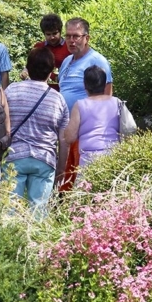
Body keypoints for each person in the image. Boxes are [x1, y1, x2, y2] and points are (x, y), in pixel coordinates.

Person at [5, 47, 70, 214]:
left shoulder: (11, 90)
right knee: (38, 212)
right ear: (51, 71)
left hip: (14, 157)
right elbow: (63, 140)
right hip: (44, 160)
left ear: (27, 68)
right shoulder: (58, 99)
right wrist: (61, 169)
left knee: (9, 211)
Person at [56, 17, 113, 190]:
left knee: (82, 181)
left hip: (85, 133)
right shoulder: (66, 61)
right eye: (68, 36)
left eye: (76, 36)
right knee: (64, 178)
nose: (71, 41)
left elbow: (107, 97)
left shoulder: (98, 61)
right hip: (65, 130)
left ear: (87, 38)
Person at [63, 66, 121, 168]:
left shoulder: (80, 105)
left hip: (89, 159)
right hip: (114, 156)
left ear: (85, 85)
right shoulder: (117, 102)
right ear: (104, 84)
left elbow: (70, 137)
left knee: (87, 180)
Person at [19, 13, 70, 90]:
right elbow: (29, 66)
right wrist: (24, 72)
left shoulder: (69, 48)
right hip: (40, 91)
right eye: (48, 34)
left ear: (60, 31)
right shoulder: (38, 47)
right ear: (44, 34)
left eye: (55, 33)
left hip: (62, 90)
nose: (52, 37)